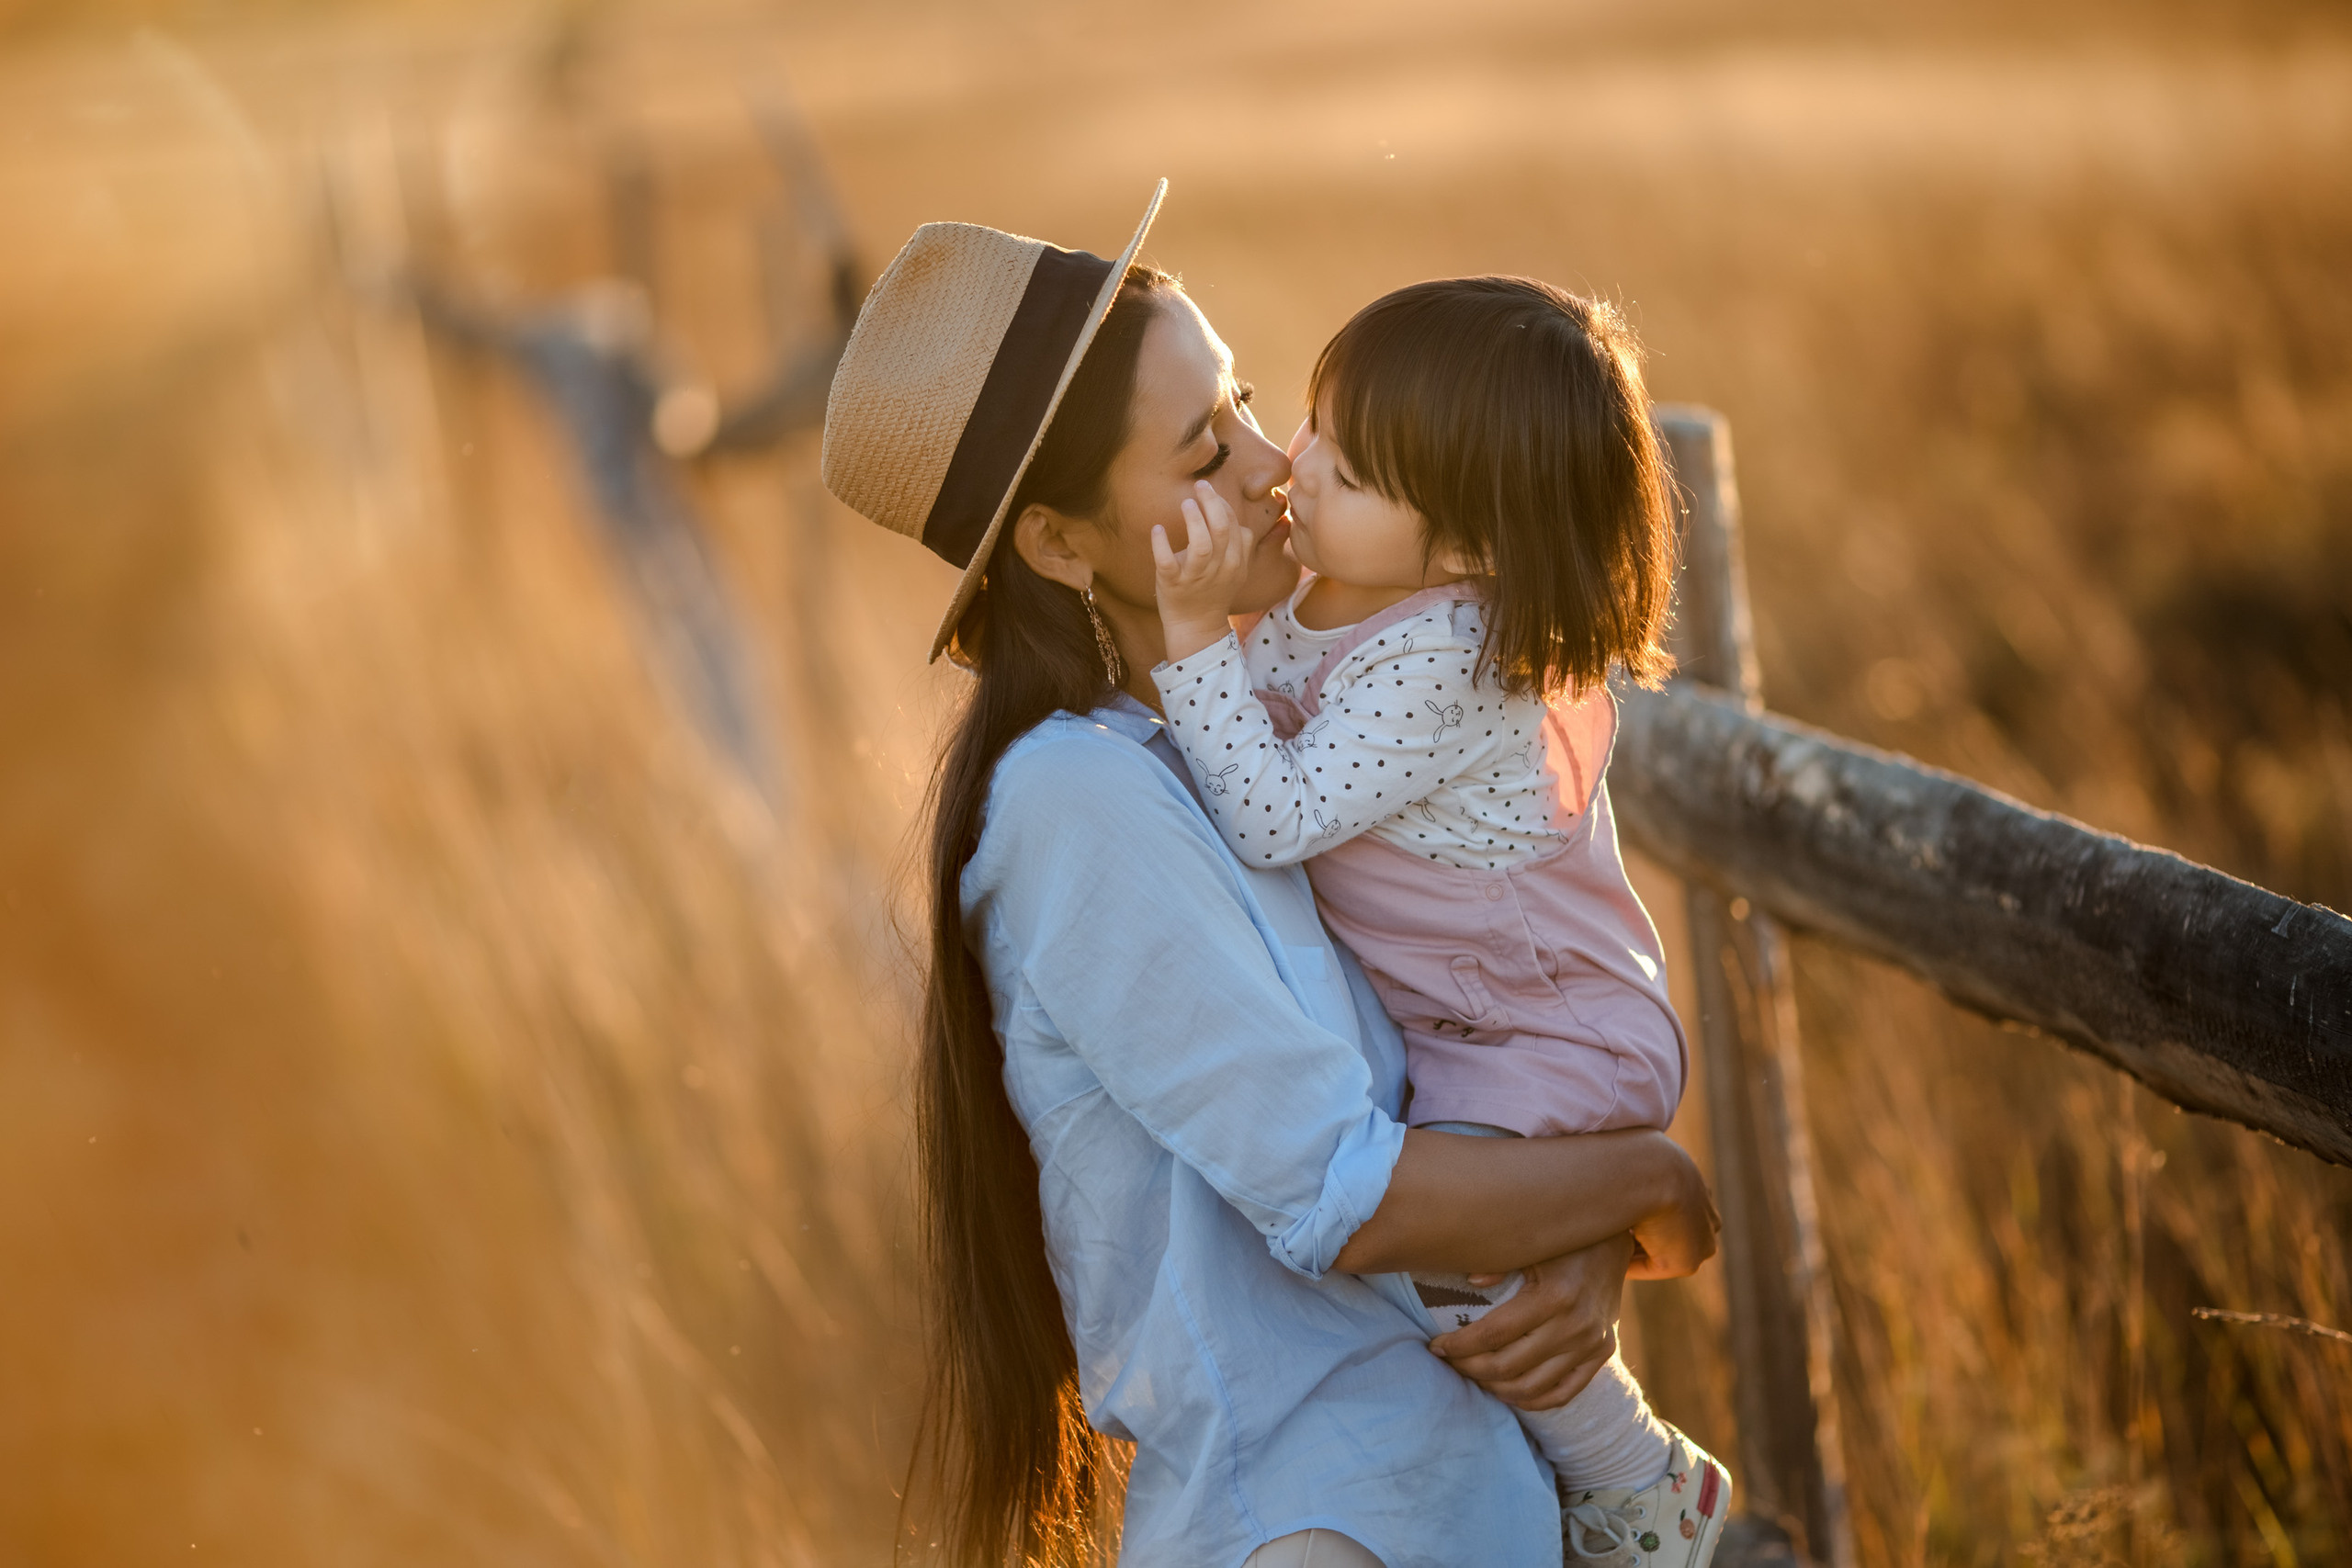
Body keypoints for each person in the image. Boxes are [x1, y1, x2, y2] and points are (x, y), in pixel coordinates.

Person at [820, 183, 1721, 1568]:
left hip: (1444, 1501)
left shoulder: (1237, 730)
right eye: (1201, 453)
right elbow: (1346, 1198)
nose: (1271, 468)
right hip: (1317, 1521)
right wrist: (1648, 1185)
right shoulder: (1081, 804)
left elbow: (1455, 1075)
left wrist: (1585, 1239)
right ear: (1059, 545)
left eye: (1244, 403)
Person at [1146, 277, 1730, 1565]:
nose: (1295, 471)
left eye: (1345, 473)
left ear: (1468, 549)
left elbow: (1273, 813)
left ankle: (1638, 1481)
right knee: (1444, 1245)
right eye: (1312, 427)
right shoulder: (1337, 596)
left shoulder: (1452, 656)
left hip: (1545, 1028)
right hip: (1471, 1021)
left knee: (1443, 1245)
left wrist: (1191, 632)